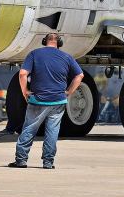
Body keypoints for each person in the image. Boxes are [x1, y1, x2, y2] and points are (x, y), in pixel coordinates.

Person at [8, 33, 84, 170]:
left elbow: (22, 74)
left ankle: (21, 161)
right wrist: (68, 92)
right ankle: (48, 162)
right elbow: (79, 75)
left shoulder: (34, 54)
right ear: (59, 43)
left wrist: (25, 91)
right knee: (52, 132)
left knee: (29, 129)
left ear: (44, 41)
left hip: (38, 100)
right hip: (58, 101)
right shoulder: (67, 57)